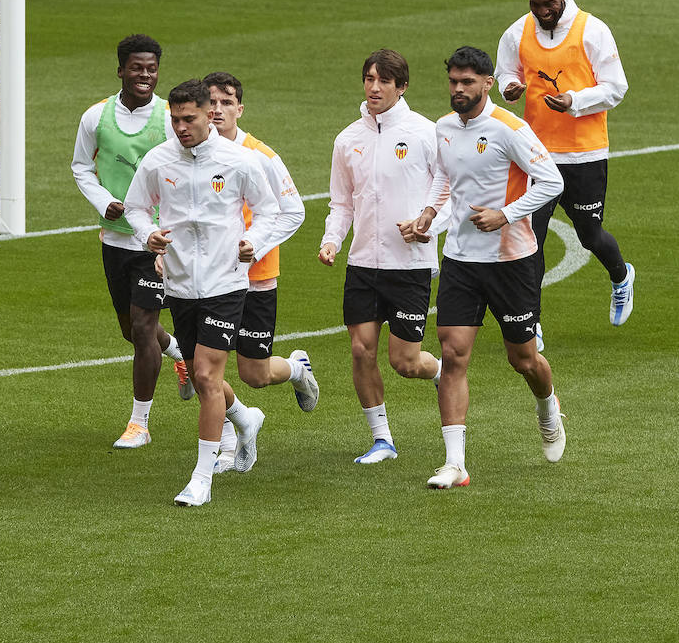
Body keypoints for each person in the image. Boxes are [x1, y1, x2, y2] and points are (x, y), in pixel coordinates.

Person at [406, 47, 566, 490]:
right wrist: (428, 215)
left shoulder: (510, 129)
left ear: (487, 83)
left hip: (511, 261)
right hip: (460, 259)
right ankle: (455, 463)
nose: (458, 90)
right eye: (453, 82)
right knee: (453, 354)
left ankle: (548, 407)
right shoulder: (442, 128)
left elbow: (553, 180)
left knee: (523, 358)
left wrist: (507, 213)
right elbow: (443, 177)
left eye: (467, 83)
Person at [125, 79, 280, 507]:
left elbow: (269, 211)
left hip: (226, 282)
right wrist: (148, 235)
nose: (180, 127)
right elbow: (136, 207)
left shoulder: (240, 160)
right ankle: (245, 418)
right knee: (198, 372)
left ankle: (201, 478)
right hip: (179, 284)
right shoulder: (158, 160)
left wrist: (255, 241)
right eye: (173, 119)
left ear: (209, 113)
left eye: (188, 118)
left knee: (209, 377)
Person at [318, 50, 443, 464]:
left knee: (405, 362)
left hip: (409, 265)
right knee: (360, 350)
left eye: (383, 81)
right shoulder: (347, 139)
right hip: (361, 265)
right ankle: (382, 439)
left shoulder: (427, 133)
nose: (373, 87)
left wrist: (427, 225)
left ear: (401, 86)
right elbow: (342, 203)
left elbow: (449, 194)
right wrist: (332, 239)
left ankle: (440, 372)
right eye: (368, 79)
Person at [496, 0, 634, 332]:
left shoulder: (593, 30)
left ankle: (621, 276)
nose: (543, 12)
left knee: (590, 235)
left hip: (584, 154)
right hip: (537, 155)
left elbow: (616, 87)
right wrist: (509, 87)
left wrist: (574, 100)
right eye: (535, 4)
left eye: (549, 4)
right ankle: (531, 320)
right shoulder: (518, 31)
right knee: (532, 239)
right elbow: (504, 72)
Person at [70, 35, 190, 450]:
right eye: (137, 68)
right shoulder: (95, 118)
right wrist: (105, 202)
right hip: (115, 241)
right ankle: (181, 356)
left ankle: (139, 423)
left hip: (157, 243)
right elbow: (81, 167)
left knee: (142, 327)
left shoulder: (169, 120)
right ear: (121, 69)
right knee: (132, 329)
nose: (145, 75)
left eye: (152, 69)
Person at [203, 71, 316, 471]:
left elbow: (294, 212)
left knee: (254, 374)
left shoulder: (261, 156)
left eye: (226, 102)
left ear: (239, 109)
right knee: (207, 369)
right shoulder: (188, 154)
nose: (217, 109)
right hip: (209, 282)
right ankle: (229, 443)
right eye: (210, 101)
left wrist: (256, 247)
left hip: (255, 280)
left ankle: (297, 369)